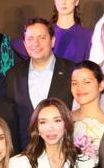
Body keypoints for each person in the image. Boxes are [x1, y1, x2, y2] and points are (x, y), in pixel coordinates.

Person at [7, 17, 75, 150]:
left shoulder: (71, 71)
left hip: (63, 150)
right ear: (24, 43)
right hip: (25, 152)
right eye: (30, 39)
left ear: (52, 41)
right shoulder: (13, 75)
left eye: (42, 38)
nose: (35, 43)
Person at [13, 0, 91, 63]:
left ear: (77, 1)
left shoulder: (88, 35)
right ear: (54, 1)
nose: (63, 2)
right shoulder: (44, 31)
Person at [70, 61, 104, 162]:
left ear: (101, 85)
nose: (80, 88)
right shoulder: (61, 120)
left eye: (87, 82)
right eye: (75, 83)